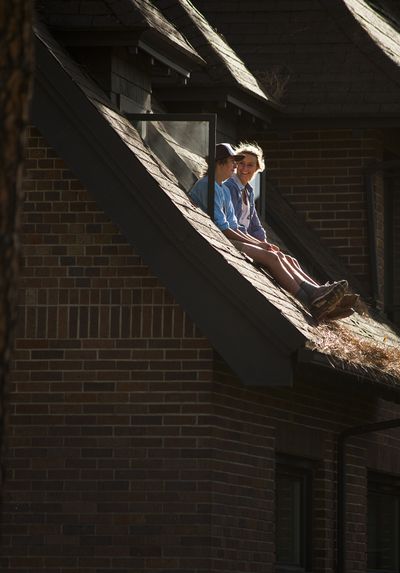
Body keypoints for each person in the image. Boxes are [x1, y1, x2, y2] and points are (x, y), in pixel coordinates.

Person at [189, 143, 348, 321]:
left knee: (279, 256)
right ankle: (310, 301)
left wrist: (261, 242)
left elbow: (235, 226)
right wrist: (258, 244)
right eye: (233, 162)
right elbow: (224, 229)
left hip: (222, 238)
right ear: (220, 163)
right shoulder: (209, 186)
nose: (236, 167)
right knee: (271, 257)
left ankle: (316, 294)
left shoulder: (221, 188)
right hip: (213, 240)